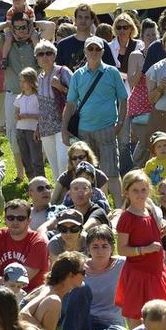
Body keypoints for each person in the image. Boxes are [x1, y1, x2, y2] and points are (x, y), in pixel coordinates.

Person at [62, 35, 127, 206]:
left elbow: (123, 99)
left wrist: (119, 124)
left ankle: (119, 208)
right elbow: (70, 104)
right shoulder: (77, 75)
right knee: (85, 173)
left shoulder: (112, 72)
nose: (93, 52)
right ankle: (93, 206)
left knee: (111, 172)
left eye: (97, 49)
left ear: (103, 52)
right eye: (90, 48)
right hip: (84, 131)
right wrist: (63, 129)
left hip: (107, 129)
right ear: (85, 51)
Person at [115, 170, 166, 329]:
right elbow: (122, 249)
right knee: (137, 317)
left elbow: (154, 228)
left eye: (143, 189)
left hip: (156, 270)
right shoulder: (127, 218)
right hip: (138, 273)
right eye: (135, 191)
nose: (140, 194)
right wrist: (145, 249)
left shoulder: (150, 210)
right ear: (126, 193)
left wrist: (162, 227)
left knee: (163, 313)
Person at [0, 12, 54, 182]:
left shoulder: (37, 40)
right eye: (18, 28)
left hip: (38, 94)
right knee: (14, 134)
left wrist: (32, 24)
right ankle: (20, 174)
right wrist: (8, 26)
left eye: (24, 27)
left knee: (41, 132)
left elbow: (51, 27)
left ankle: (38, 170)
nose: (21, 31)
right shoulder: (5, 41)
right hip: (13, 94)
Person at [60, 225, 128, 330]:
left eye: (104, 246)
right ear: (88, 249)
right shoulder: (79, 268)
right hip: (84, 320)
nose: (100, 251)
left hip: (109, 324)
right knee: (81, 288)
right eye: (95, 247)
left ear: (112, 248)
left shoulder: (123, 265)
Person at [20, 252, 90, 330]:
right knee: (53, 301)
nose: (85, 275)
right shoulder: (49, 291)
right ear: (70, 274)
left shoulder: (61, 292)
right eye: (83, 272)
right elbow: (23, 314)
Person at [34, 39, 72, 181]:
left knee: (64, 162)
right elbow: (41, 106)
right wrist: (38, 126)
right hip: (45, 128)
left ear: (54, 55)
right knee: (54, 166)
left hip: (63, 125)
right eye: (41, 54)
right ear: (36, 58)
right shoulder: (39, 78)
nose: (45, 56)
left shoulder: (63, 72)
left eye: (49, 53)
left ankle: (70, 196)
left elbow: (78, 96)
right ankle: (59, 198)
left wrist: (60, 87)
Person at [0, 199, 48, 292]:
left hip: (28, 294)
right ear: (5, 219)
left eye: (20, 218)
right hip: (2, 290)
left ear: (29, 220)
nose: (15, 222)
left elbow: (18, 280)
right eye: (10, 218)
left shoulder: (38, 242)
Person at [127, 19, 159, 168]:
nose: (151, 38)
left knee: (155, 140)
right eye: (148, 35)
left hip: (158, 102)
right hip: (140, 104)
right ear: (142, 37)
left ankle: (150, 170)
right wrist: (143, 68)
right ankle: (137, 168)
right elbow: (131, 82)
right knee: (146, 141)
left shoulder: (162, 53)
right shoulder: (135, 55)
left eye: (154, 34)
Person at [55, 4, 116, 70]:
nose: (83, 21)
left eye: (86, 17)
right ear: (75, 20)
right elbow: (58, 72)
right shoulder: (62, 45)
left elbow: (111, 72)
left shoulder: (102, 44)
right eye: (80, 17)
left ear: (92, 20)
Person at [14, 67, 44, 178]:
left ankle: (41, 181)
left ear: (31, 81)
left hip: (33, 130)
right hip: (20, 130)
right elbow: (16, 113)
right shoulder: (19, 97)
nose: (21, 83)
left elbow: (42, 115)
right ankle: (31, 181)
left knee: (36, 158)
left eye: (24, 81)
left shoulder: (37, 97)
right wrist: (18, 116)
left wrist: (28, 116)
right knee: (25, 158)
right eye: (20, 81)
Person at [0, 0, 36, 71]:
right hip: (12, 30)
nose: (16, 1)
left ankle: (37, 55)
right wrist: (15, 36)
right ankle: (4, 59)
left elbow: (32, 24)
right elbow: (9, 26)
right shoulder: (10, 11)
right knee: (8, 38)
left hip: (28, 29)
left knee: (35, 37)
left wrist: (28, 35)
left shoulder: (30, 10)